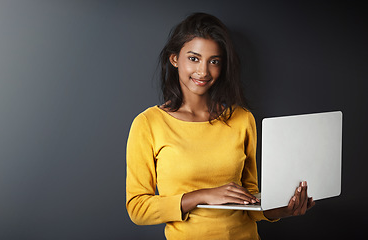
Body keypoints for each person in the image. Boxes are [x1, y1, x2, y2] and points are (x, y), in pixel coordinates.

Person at [126, 12, 315, 239]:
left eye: (213, 61)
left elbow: (250, 199)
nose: (203, 71)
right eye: (194, 58)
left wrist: (282, 210)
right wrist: (202, 195)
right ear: (174, 59)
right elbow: (137, 209)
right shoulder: (149, 124)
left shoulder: (243, 119)